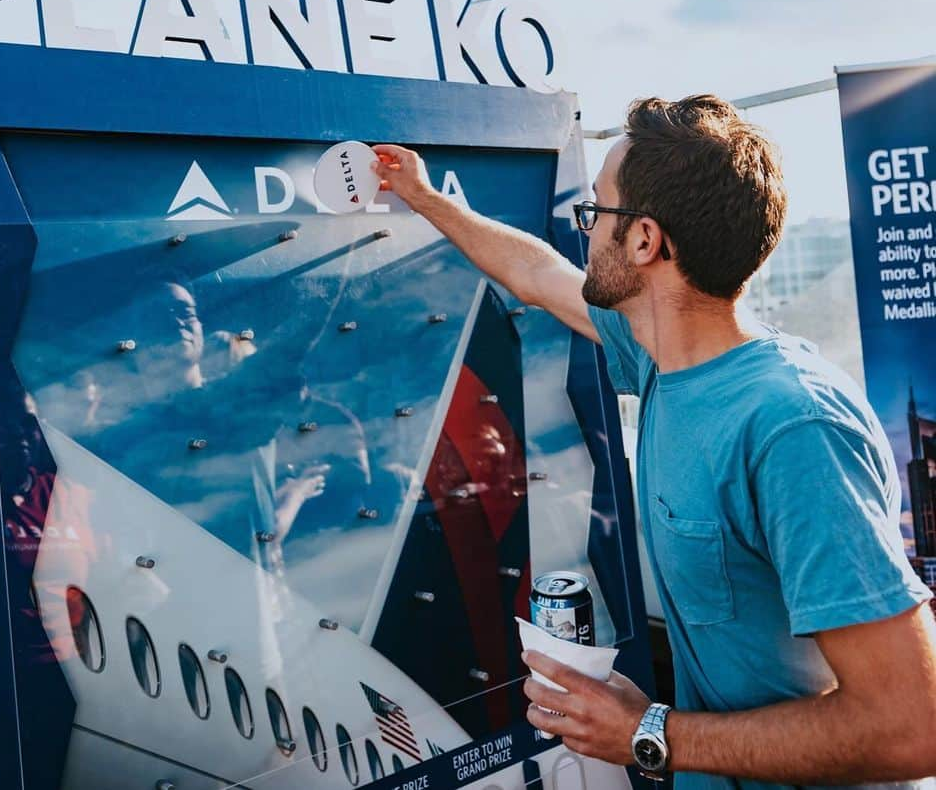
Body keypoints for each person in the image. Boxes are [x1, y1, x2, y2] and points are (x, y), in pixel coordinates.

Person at [371, 94, 936, 789]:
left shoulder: (792, 427)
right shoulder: (663, 357)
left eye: (596, 212)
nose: (585, 233)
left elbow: (911, 726)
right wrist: (425, 198)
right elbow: (540, 277)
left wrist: (647, 732)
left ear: (643, 240)